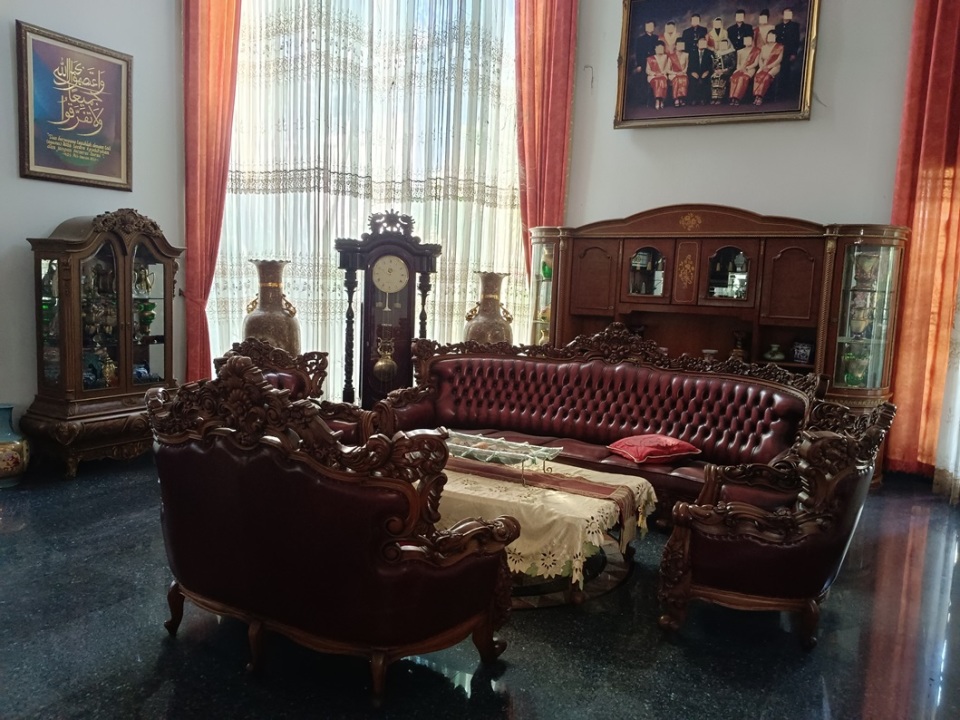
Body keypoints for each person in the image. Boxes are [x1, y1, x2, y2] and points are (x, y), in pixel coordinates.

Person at [631, 20, 660, 108]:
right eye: (648, 26)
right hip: (643, 63)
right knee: (643, 81)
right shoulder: (640, 39)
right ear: (645, 28)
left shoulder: (657, 38)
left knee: (656, 80)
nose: (650, 28)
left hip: (655, 63)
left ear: (654, 27)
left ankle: (655, 99)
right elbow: (638, 53)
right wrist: (639, 65)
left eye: (651, 26)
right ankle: (644, 100)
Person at [775, 7, 802, 94]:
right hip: (778, 52)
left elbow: (796, 40)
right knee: (777, 71)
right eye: (786, 13)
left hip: (788, 52)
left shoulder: (795, 26)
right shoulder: (778, 27)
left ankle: (785, 92)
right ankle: (776, 91)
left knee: (786, 71)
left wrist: (794, 53)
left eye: (789, 13)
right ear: (782, 15)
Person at [752, 30, 784, 104]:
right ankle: (756, 96)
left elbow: (779, 60)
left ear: (775, 37)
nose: (770, 38)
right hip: (764, 66)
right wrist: (762, 66)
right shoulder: (763, 47)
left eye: (772, 36)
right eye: (769, 36)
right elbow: (760, 59)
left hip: (774, 66)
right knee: (757, 76)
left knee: (766, 77)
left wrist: (769, 66)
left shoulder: (780, 47)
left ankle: (760, 97)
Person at [728, 34, 761, 105]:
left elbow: (756, 63)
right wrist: (739, 69)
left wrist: (746, 68)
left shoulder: (757, 51)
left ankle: (737, 98)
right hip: (740, 69)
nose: (747, 42)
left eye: (749, 40)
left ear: (752, 41)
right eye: (746, 40)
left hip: (750, 69)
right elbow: (738, 63)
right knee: (733, 78)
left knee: (742, 78)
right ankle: (732, 97)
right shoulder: (739, 51)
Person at [687, 37, 715, 106]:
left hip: (705, 72)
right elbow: (690, 65)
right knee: (693, 80)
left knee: (705, 80)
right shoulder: (692, 53)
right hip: (694, 72)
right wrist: (692, 72)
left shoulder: (709, 53)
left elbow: (711, 65)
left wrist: (707, 72)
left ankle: (703, 99)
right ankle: (694, 99)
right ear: (697, 44)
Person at [710, 38, 736, 105]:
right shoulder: (718, 53)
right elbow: (714, 64)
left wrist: (725, 70)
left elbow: (733, 65)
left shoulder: (731, 53)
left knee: (721, 77)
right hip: (718, 71)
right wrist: (716, 70)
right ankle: (714, 97)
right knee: (714, 77)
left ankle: (720, 98)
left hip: (728, 71)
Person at [645, 42, 670, 110]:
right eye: (659, 48)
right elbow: (647, 70)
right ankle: (657, 100)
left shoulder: (666, 57)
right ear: (655, 49)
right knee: (657, 81)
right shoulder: (650, 58)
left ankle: (661, 100)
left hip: (662, 75)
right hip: (653, 76)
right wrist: (655, 74)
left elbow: (667, 68)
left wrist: (662, 73)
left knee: (662, 80)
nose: (660, 49)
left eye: (662, 48)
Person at [667, 39, 690, 107]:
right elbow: (667, 69)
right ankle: (676, 99)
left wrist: (683, 72)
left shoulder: (686, 55)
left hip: (683, 73)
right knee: (677, 79)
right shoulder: (671, 56)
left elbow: (687, 66)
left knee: (683, 79)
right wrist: (676, 73)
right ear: (675, 46)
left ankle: (681, 98)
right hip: (673, 74)